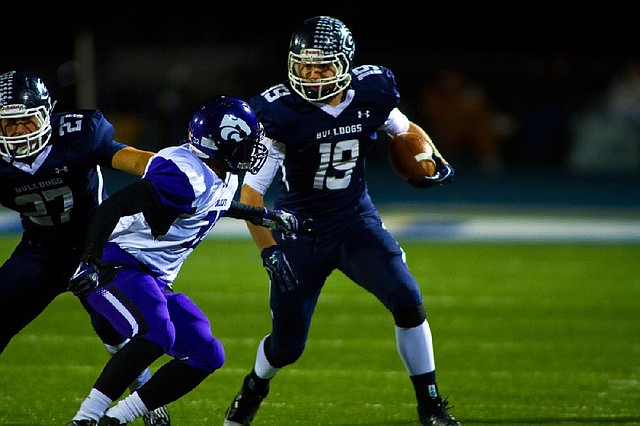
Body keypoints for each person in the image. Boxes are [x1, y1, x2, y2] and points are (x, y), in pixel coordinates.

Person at [222, 15, 460, 426]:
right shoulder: (281, 113)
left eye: (323, 66)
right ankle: (254, 387)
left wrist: (432, 160)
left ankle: (431, 406)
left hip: (355, 221)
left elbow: (406, 131)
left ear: (345, 64)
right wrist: (270, 252)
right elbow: (251, 194)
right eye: (305, 66)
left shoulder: (372, 91)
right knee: (287, 347)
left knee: (408, 301)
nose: (312, 76)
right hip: (299, 230)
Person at [65, 95, 310, 426]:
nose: (254, 147)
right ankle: (86, 418)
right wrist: (90, 262)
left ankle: (118, 418)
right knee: (156, 332)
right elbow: (113, 207)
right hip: (118, 263)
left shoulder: (218, 173)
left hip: (150, 277)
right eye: (248, 140)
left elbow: (216, 203)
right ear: (226, 143)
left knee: (206, 353)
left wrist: (264, 216)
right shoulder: (185, 175)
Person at [0, 70, 170, 426]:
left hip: (96, 244)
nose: (18, 132)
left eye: (26, 120)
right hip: (40, 249)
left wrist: (174, 174)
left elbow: (133, 159)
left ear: (47, 113)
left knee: (115, 327)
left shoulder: (79, 135)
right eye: (8, 124)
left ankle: (146, 391)